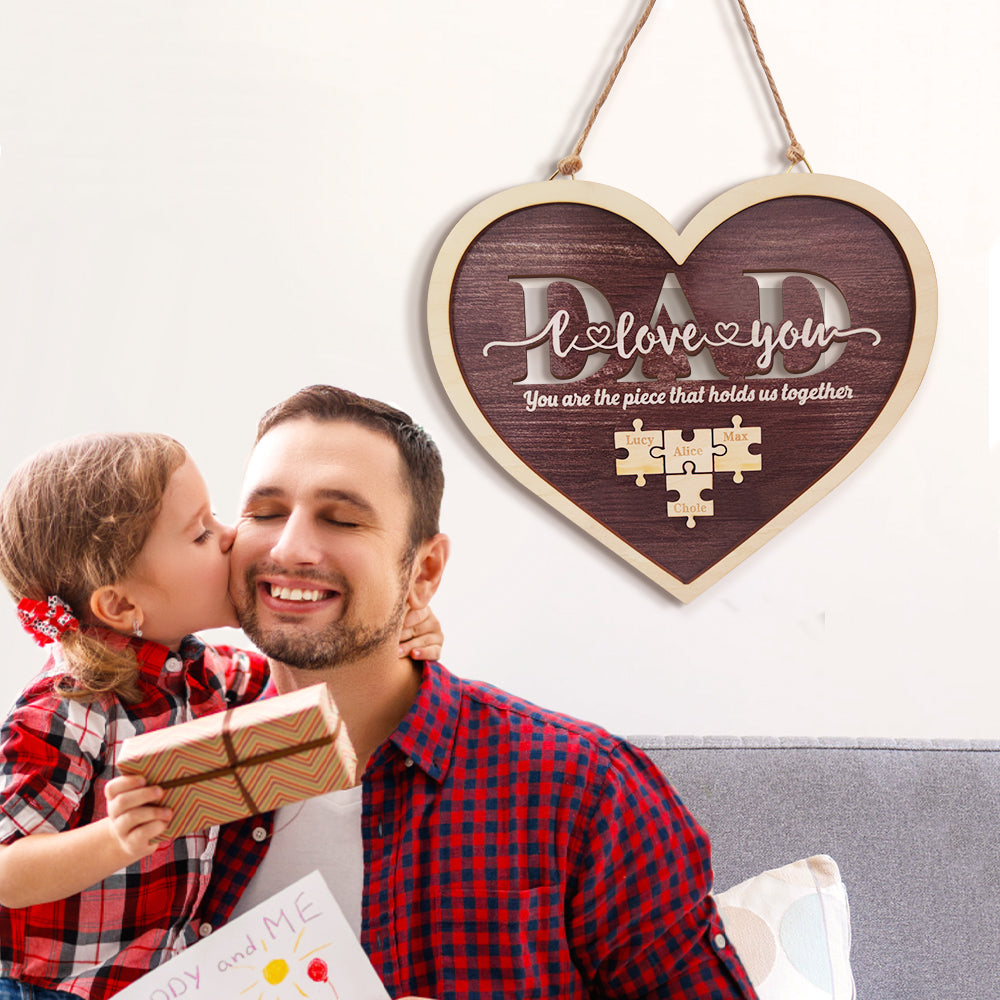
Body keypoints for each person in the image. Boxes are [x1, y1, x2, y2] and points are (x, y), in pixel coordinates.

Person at [198, 385, 758, 1000]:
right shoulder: (148, 742)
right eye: (266, 512)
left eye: (342, 519)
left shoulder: (584, 789)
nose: (287, 547)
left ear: (425, 571)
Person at [0, 431, 441, 1000]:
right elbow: (8, 873)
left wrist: (406, 628)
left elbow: (303, 678)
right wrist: (117, 838)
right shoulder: (70, 706)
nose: (231, 535)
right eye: (202, 532)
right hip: (50, 989)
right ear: (122, 606)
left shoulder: (200, 670)